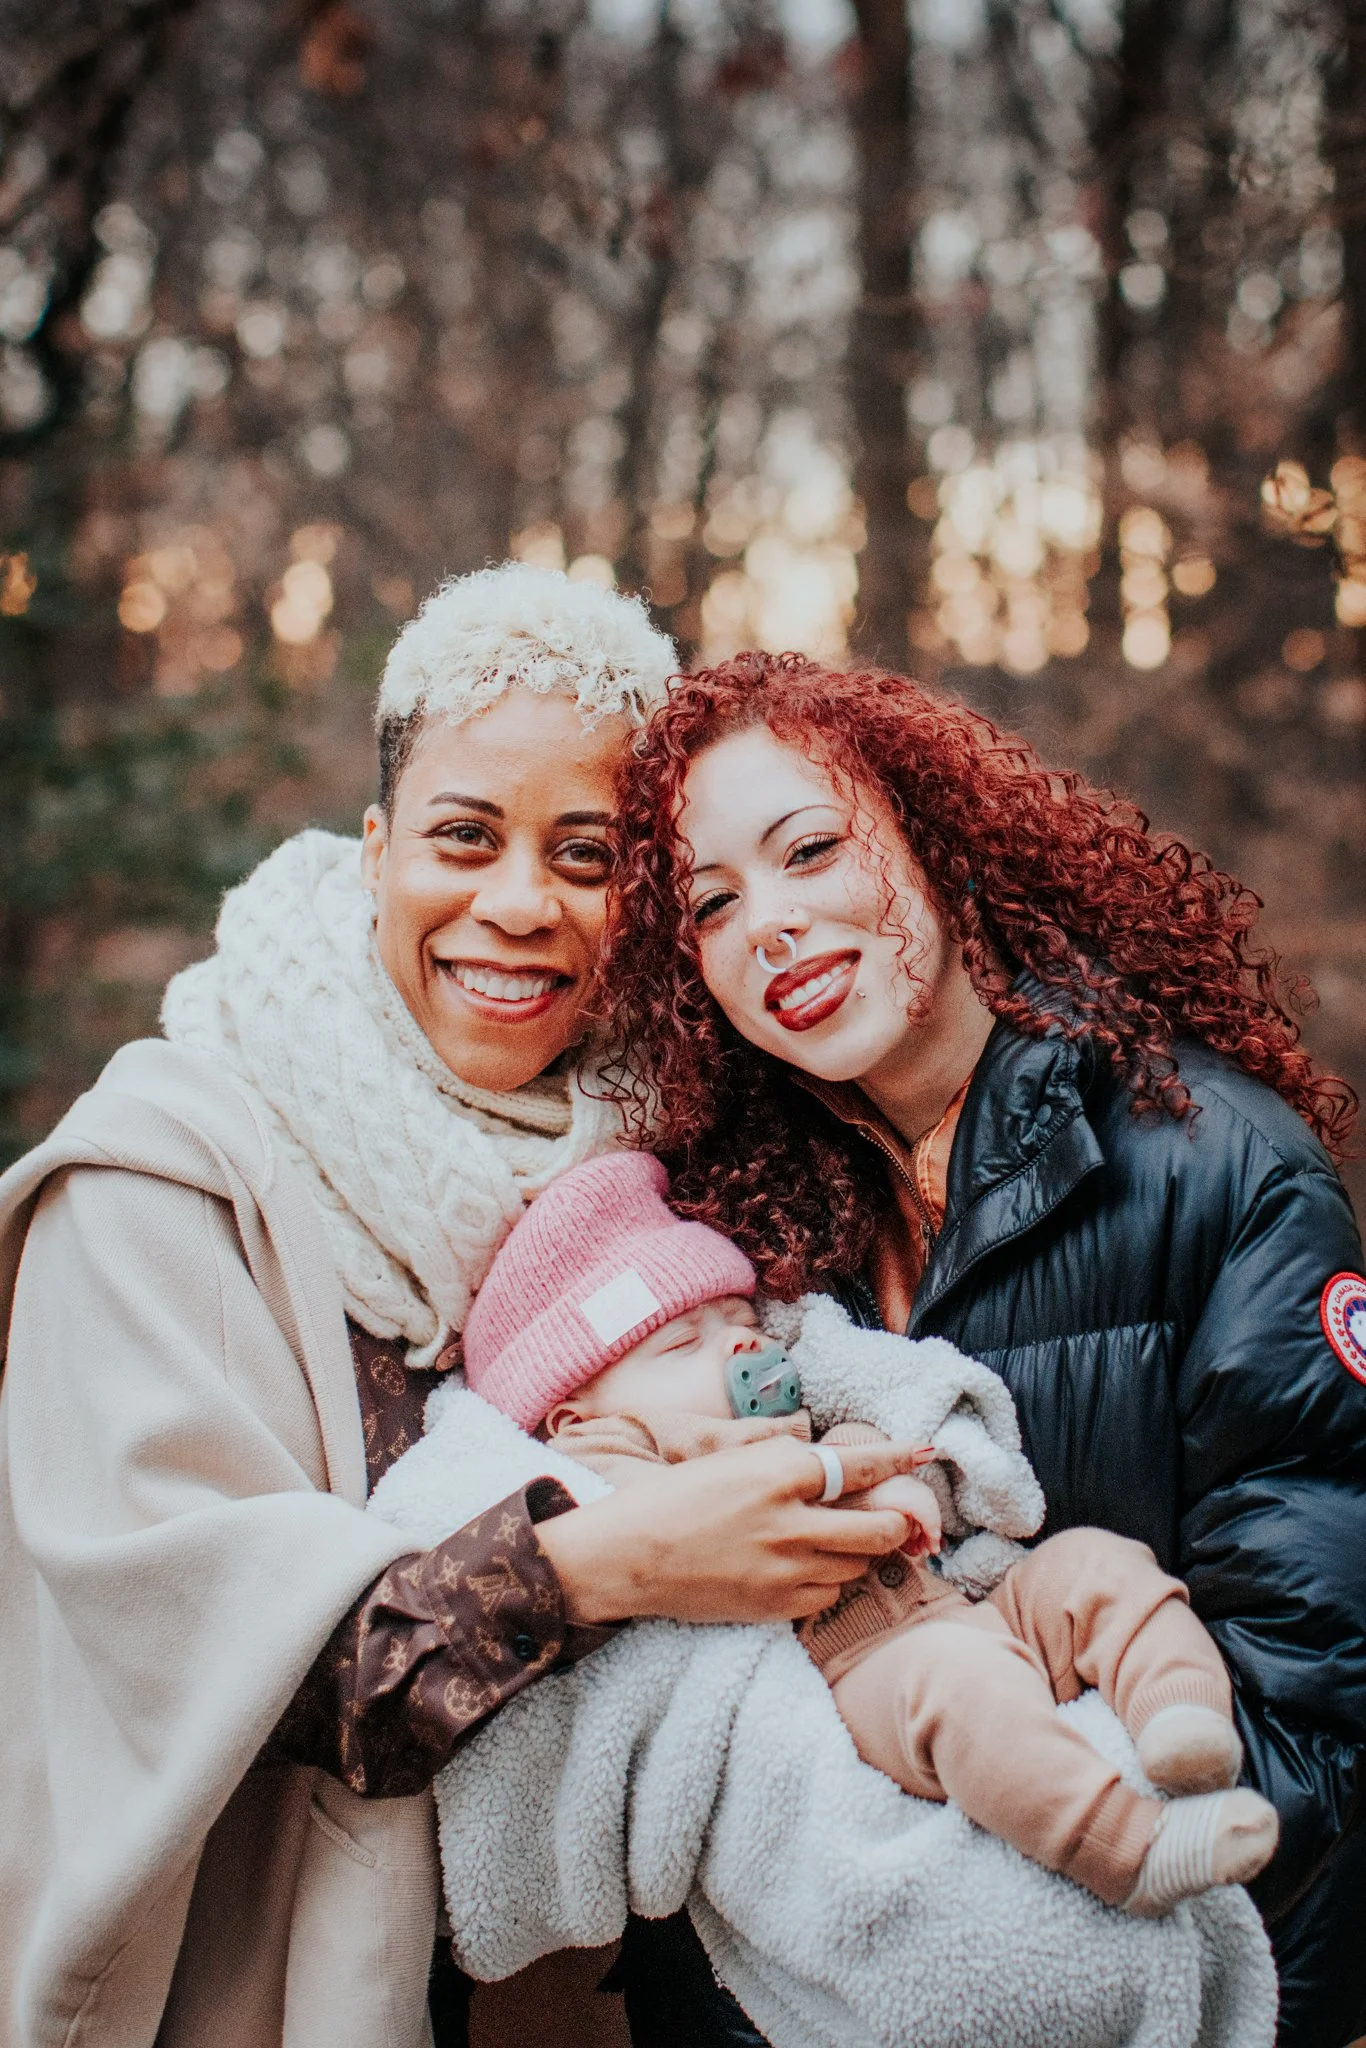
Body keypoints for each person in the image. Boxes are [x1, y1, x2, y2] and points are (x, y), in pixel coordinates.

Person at [0, 578, 926, 2048]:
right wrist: (606, 1561)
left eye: (584, 855)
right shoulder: (152, 1185)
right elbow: (200, 1666)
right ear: (378, 850)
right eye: (464, 836)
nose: (519, 904)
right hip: (266, 1989)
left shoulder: (671, 1165)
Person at [602, 649, 1366, 2048]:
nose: (768, 924)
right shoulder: (728, 1240)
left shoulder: (1218, 1171)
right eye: (711, 904)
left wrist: (973, 1923)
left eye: (810, 850)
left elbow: (1313, 1715)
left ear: (942, 845)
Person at [461, 1147, 1282, 1918]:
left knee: (1094, 1563)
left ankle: (1184, 1719)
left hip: (959, 1606)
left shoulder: (790, 1423)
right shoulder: (609, 1462)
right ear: (575, 1416)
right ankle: (1131, 1851)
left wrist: (886, 1480)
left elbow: (843, 1451)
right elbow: (645, 1517)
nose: (743, 1344)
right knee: (964, 1691)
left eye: (740, 1316)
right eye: (682, 1341)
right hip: (864, 1671)